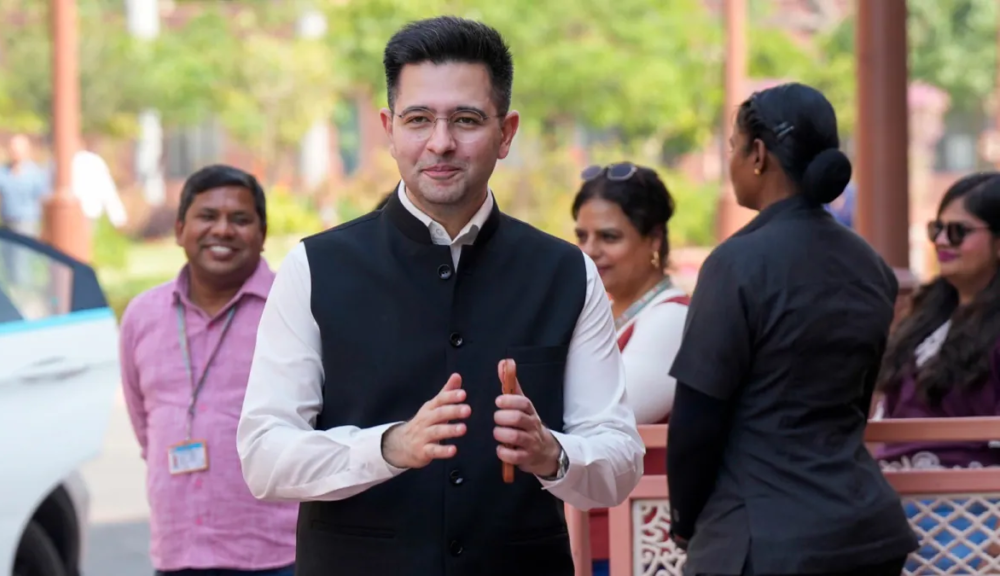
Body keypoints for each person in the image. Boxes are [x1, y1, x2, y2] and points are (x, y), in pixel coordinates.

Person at [237, 16, 645, 576]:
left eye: (467, 120)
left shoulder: (565, 272)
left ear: (506, 133)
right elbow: (264, 457)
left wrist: (553, 453)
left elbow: (621, 460)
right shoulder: (315, 267)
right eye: (419, 119)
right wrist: (388, 447)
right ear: (388, 128)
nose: (441, 142)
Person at [665, 82, 918, 576]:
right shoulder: (871, 266)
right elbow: (857, 404)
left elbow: (696, 417)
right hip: (866, 529)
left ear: (758, 155)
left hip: (763, 538)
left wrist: (684, 519)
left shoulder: (735, 264)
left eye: (734, 148)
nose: (733, 160)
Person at [119, 165, 297, 576]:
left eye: (240, 219)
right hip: (178, 552)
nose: (223, 230)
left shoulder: (294, 310)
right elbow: (145, 427)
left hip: (279, 554)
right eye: (207, 217)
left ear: (262, 234)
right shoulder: (143, 316)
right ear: (180, 229)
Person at [875, 172, 1000, 572]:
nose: (942, 241)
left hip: (974, 522)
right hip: (891, 514)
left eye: (958, 231)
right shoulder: (925, 314)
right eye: (937, 229)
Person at [572, 162, 688, 574]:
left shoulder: (672, 320)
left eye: (609, 237)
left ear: (654, 237)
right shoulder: (605, 314)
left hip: (637, 543)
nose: (590, 250)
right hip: (588, 532)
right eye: (581, 236)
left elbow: (606, 410)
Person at [0, 134, 50, 285]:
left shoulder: (36, 174)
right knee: (5, 263)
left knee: (21, 263)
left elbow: (43, 200)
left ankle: (22, 291)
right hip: (5, 223)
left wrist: (46, 229)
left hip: (26, 224)